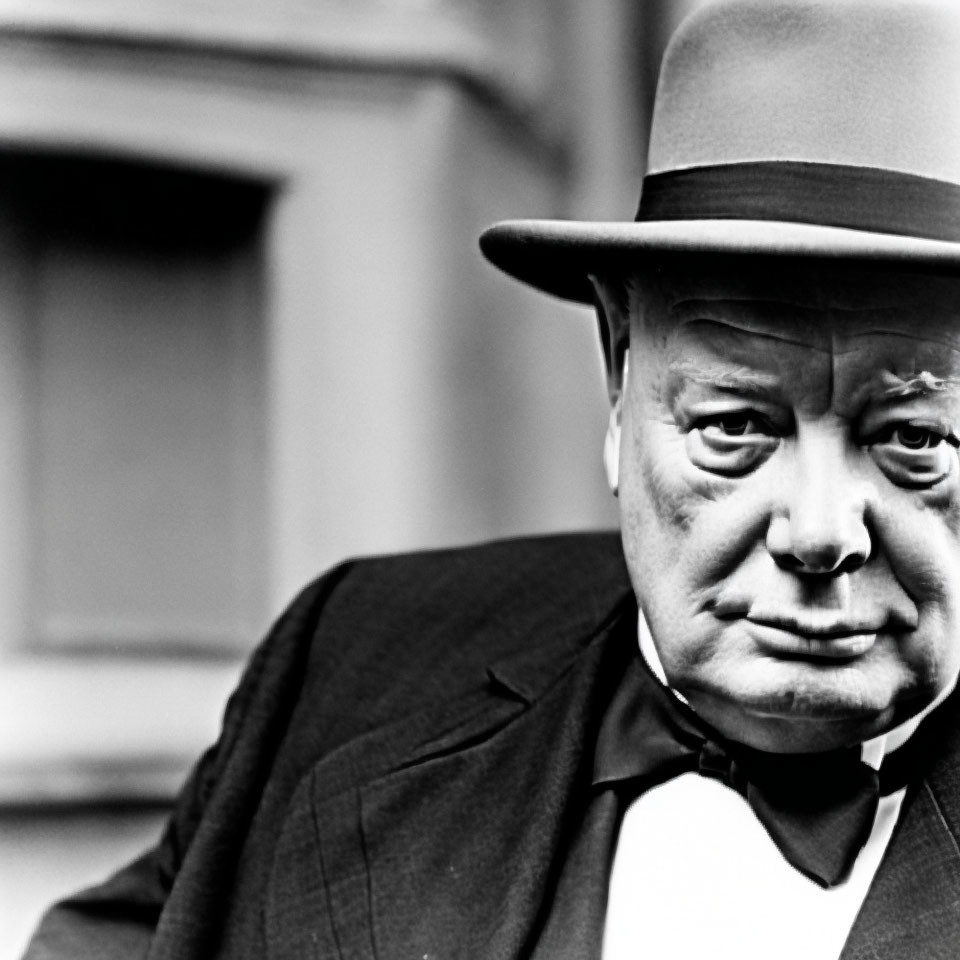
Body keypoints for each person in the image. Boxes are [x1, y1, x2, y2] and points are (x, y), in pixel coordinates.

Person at [23, 0, 960, 957]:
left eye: (914, 438)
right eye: (734, 425)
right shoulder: (351, 655)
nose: (817, 531)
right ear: (618, 372)